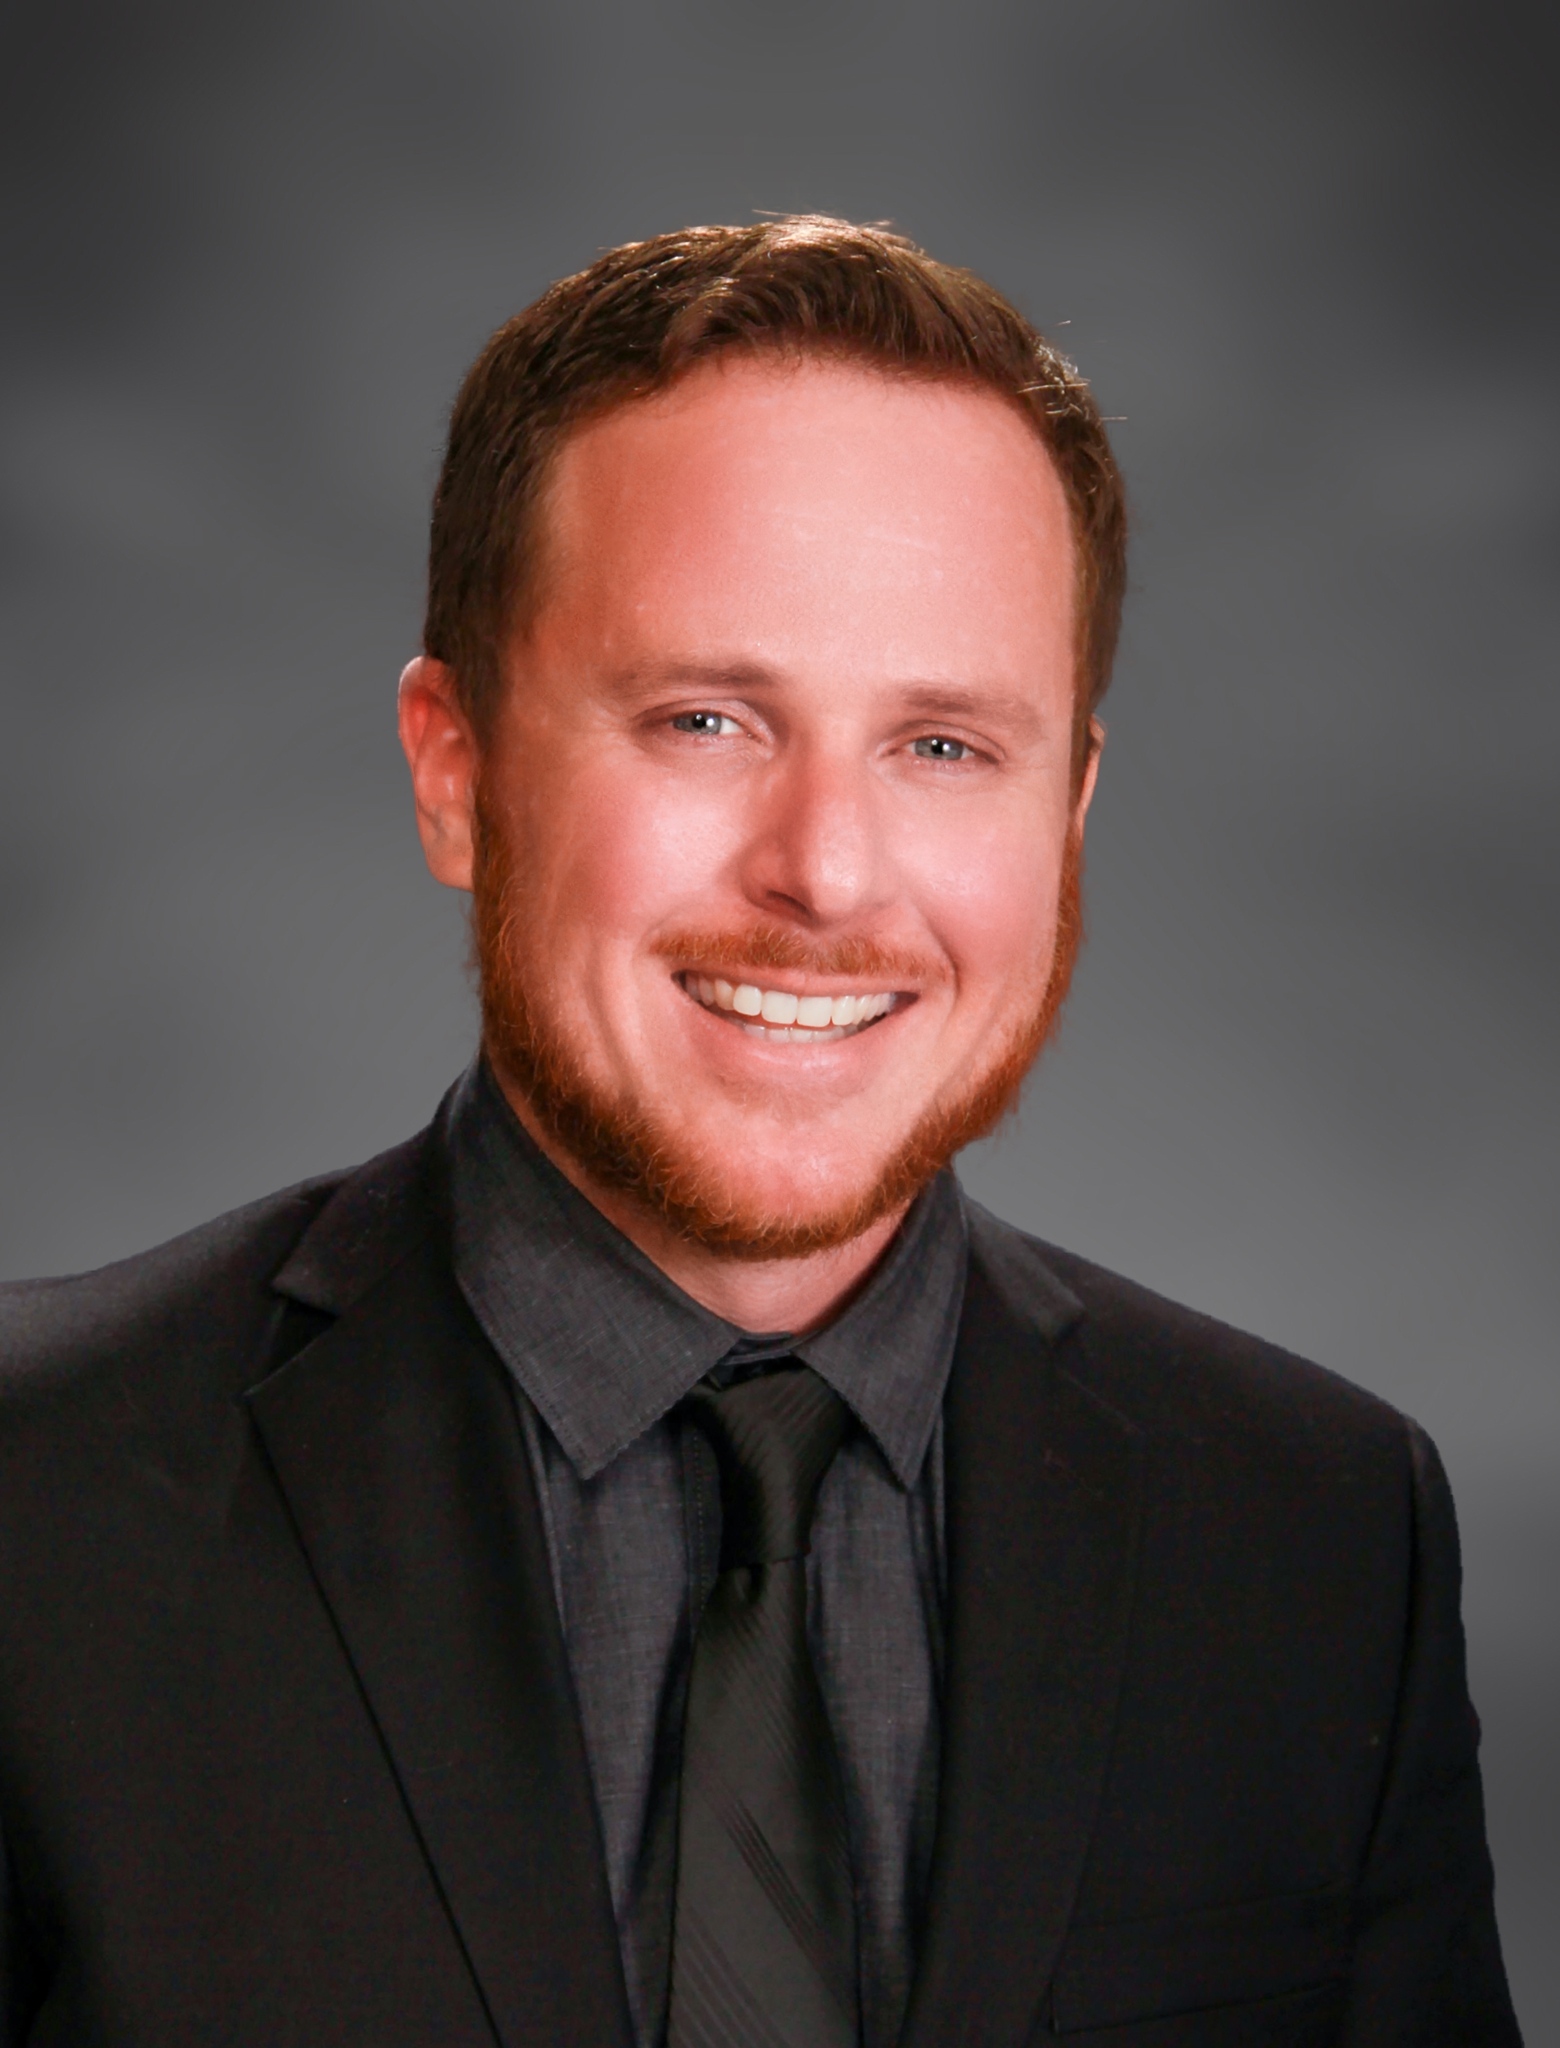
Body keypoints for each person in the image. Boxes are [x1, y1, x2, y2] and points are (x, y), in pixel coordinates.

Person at [0, 217, 1520, 2048]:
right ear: (454, 769)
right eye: (706, 718)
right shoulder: (37, 1497)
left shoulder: (1320, 1541)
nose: (827, 871)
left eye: (944, 745)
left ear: (1070, 811)